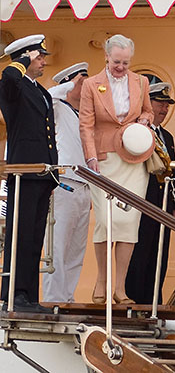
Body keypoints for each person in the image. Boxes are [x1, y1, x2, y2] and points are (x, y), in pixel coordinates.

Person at [79, 34, 154, 305]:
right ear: (106, 58)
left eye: (125, 62)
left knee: (129, 222)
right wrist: (90, 158)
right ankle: (101, 282)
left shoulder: (141, 81)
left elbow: (149, 111)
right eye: (116, 62)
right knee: (106, 221)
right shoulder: (91, 84)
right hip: (103, 159)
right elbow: (86, 125)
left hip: (133, 158)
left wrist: (144, 120)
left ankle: (120, 289)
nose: (121, 67)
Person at [0, 34, 57, 313]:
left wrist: (53, 169)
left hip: (42, 174)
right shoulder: (14, 86)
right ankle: (13, 294)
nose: (44, 61)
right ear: (26, 57)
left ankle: (29, 296)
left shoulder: (41, 91)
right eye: (40, 56)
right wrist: (22, 59)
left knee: (34, 237)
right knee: (19, 234)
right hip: (24, 171)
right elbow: (9, 77)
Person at [125, 81, 175, 305]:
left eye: (167, 105)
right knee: (140, 251)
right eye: (160, 103)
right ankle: (135, 298)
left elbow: (171, 170)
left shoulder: (167, 136)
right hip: (143, 200)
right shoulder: (138, 132)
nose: (164, 109)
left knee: (160, 253)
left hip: (163, 202)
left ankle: (154, 299)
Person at [41, 62, 91, 303]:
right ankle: (53, 298)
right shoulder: (57, 107)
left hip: (84, 185)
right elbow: (47, 95)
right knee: (57, 246)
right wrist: (71, 83)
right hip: (63, 182)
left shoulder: (83, 113)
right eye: (83, 80)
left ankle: (67, 297)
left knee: (76, 250)